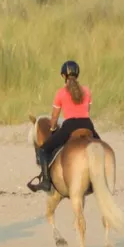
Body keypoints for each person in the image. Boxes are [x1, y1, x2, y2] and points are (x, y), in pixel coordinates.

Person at [31, 60, 97, 192]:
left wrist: (53, 128)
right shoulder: (87, 91)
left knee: (44, 150)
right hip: (87, 125)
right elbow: (87, 111)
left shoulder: (61, 93)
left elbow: (54, 117)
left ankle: (45, 181)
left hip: (70, 126)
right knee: (101, 147)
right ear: (77, 74)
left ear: (63, 76)